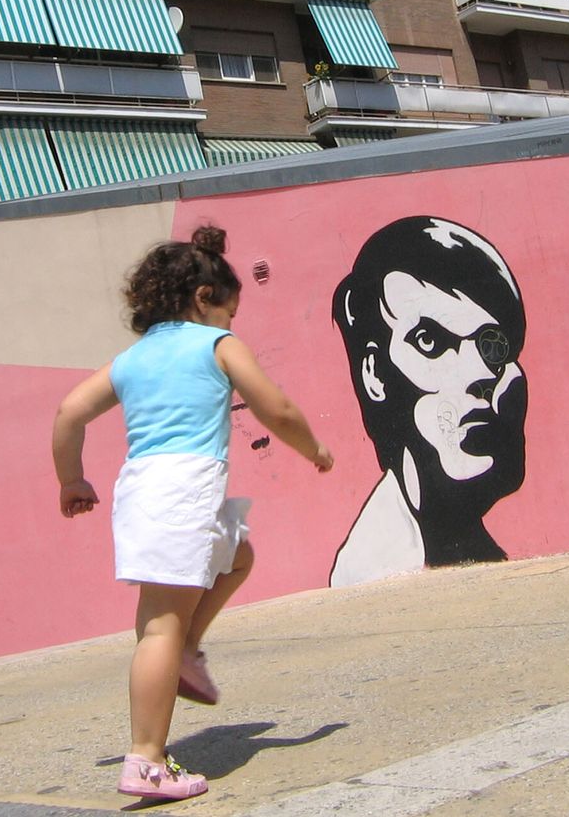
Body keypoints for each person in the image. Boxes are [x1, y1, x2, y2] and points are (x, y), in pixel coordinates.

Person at [52, 224, 333, 803]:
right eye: (231, 312)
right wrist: (314, 449)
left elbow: (69, 412)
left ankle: (185, 652)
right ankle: (147, 760)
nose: (233, 325)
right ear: (205, 299)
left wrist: (72, 480)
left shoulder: (130, 359)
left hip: (144, 490)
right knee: (159, 624)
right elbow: (274, 406)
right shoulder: (215, 346)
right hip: (182, 489)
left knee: (238, 555)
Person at [329, 216, 527, 587]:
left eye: (493, 345)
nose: (481, 373)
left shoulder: (474, 554)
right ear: (375, 374)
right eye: (430, 342)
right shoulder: (371, 574)